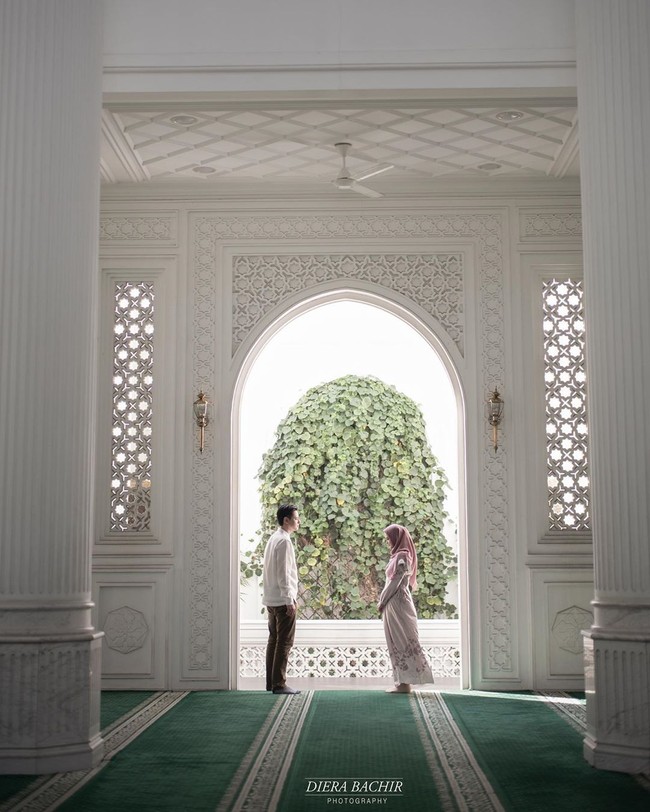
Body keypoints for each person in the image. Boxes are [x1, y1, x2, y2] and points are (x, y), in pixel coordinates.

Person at [378, 523, 434, 693]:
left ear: (397, 538)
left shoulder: (402, 556)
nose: (388, 541)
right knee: (395, 641)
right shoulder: (398, 556)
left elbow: (395, 582)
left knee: (402, 640)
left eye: (389, 538)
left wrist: (382, 600)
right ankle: (401, 682)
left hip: (398, 603)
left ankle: (405, 684)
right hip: (394, 603)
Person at [262, 503, 301, 695]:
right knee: (284, 642)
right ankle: (279, 684)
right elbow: (284, 573)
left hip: (270, 598)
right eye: (295, 518)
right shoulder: (284, 541)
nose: (298, 521)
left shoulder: (273, 538)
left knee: (274, 640)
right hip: (282, 600)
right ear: (286, 520)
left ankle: (271, 682)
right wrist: (289, 599)